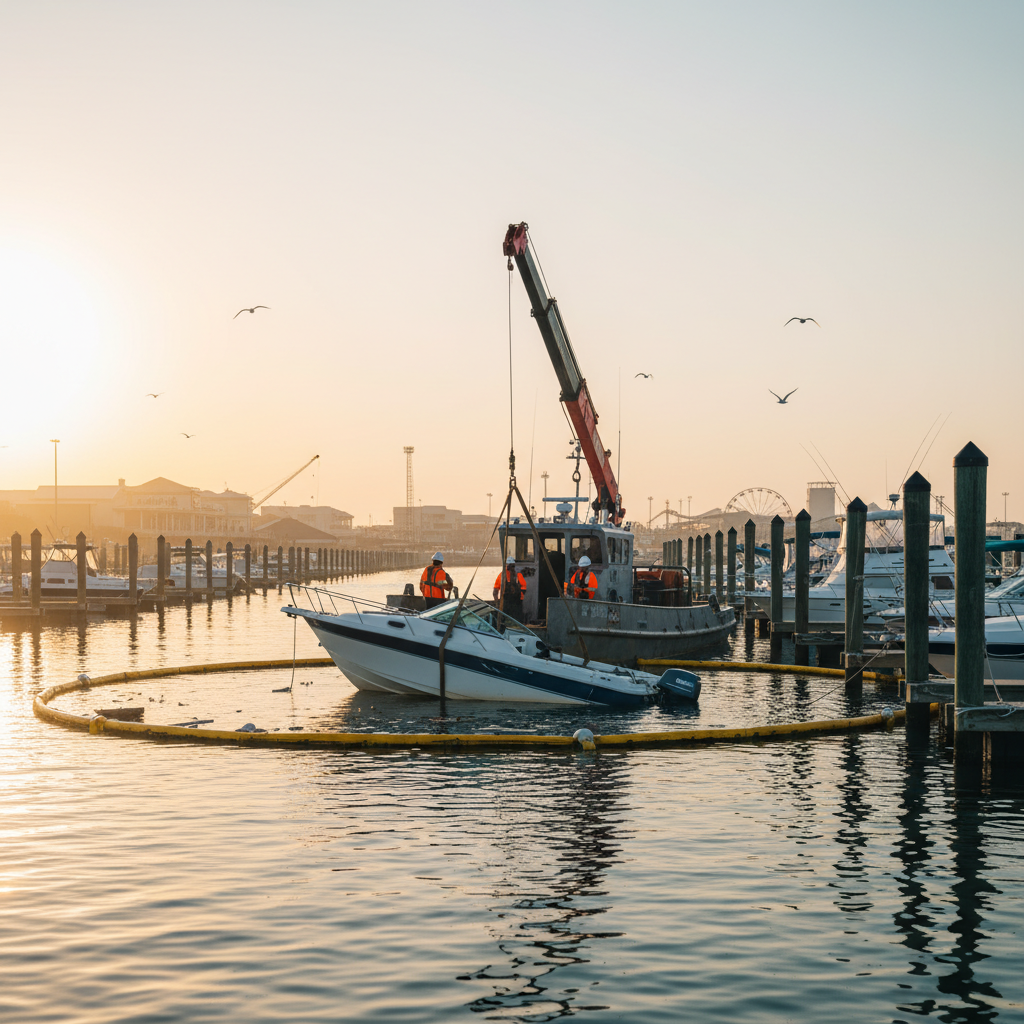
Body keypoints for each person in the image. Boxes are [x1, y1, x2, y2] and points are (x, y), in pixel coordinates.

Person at [493, 555, 527, 623]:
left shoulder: (502, 575)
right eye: (510, 566)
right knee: (516, 621)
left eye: (512, 566)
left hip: (514, 603)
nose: (511, 568)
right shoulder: (517, 575)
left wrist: (497, 604)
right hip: (512, 603)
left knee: (508, 620)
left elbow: (495, 592)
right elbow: (524, 589)